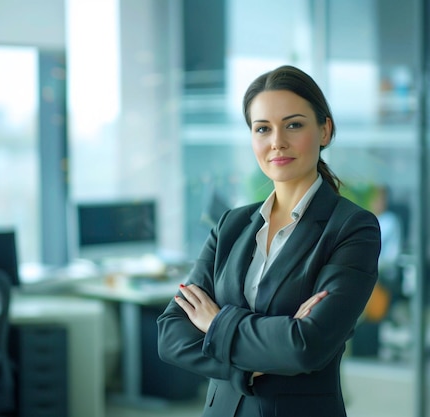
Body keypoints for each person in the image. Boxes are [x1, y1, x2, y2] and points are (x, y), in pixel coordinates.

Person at [157, 65, 381, 417]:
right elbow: (171, 334)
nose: (277, 141)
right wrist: (254, 362)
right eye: (263, 128)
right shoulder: (231, 225)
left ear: (325, 129)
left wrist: (215, 324)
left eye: (293, 124)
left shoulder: (352, 228)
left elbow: (306, 346)